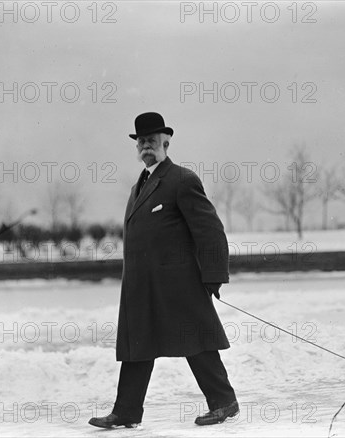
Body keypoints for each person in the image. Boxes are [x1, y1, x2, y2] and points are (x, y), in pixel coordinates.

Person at [89, 112, 238, 429]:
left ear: (166, 143)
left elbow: (210, 231)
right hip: (142, 286)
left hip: (178, 283)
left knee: (196, 342)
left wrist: (213, 275)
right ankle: (126, 410)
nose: (146, 146)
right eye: (141, 141)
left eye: (152, 141)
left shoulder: (181, 180)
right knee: (137, 346)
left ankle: (224, 402)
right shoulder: (138, 186)